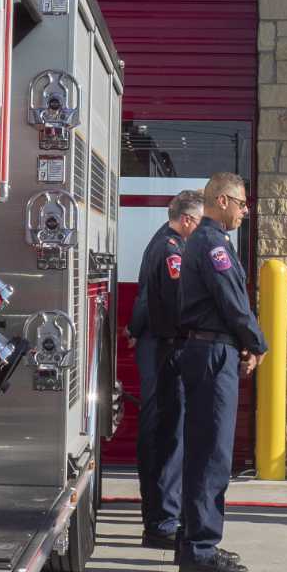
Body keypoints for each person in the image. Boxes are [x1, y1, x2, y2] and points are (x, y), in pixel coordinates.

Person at [171, 171, 266, 572]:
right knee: (213, 452)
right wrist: (257, 343)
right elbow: (232, 301)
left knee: (203, 448)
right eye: (243, 203)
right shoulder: (212, 244)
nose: (247, 211)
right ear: (222, 201)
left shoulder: (210, 241)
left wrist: (242, 341)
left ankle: (192, 537)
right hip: (212, 353)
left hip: (212, 347)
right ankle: (201, 547)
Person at [128, 189, 204, 549]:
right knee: (166, 434)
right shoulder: (171, 249)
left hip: (155, 345)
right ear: (187, 220)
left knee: (164, 432)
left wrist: (133, 329)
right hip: (163, 348)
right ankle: (161, 521)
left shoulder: (162, 241)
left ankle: (160, 515)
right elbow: (166, 300)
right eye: (200, 221)